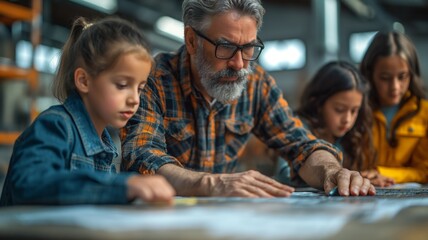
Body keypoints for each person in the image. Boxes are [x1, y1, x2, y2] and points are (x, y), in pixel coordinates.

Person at [121, 0, 375, 197]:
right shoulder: (152, 79)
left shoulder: (256, 84)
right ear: (191, 40)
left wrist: (331, 171)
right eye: (226, 47)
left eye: (249, 47)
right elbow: (142, 155)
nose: (239, 63)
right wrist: (211, 183)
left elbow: (301, 145)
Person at [0, 17, 175, 206]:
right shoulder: (55, 125)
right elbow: (28, 185)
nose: (135, 99)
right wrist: (124, 185)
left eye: (139, 88)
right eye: (122, 85)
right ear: (84, 81)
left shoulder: (106, 144)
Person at [292, 61, 394, 187]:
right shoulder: (298, 128)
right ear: (318, 104)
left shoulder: (352, 137)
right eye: (339, 109)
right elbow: (286, 172)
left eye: (354, 110)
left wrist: (363, 178)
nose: (347, 119)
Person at [360, 31, 428, 184]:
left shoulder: (424, 113)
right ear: (370, 75)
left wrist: (382, 174)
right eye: (385, 78)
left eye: (402, 77)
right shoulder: (355, 111)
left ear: (412, 74)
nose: (395, 87)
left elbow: (425, 172)